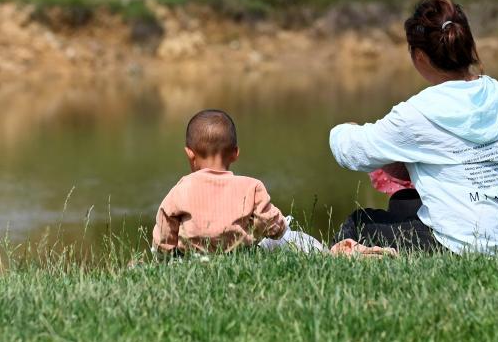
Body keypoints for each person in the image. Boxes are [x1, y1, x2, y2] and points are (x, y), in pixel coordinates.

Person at [329, 0, 498, 254]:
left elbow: (352, 153)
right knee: (403, 202)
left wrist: (346, 129)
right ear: (468, 44)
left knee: (360, 223)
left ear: (419, 56)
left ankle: (374, 259)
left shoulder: (418, 113)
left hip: (459, 246)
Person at [153, 109, 396, 258]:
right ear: (236, 153)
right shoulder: (250, 187)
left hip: (193, 257)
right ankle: (327, 253)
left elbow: (164, 232)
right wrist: (278, 229)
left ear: (189, 154)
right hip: (241, 254)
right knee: (294, 238)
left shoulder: (180, 189)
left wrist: (166, 254)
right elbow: (274, 227)